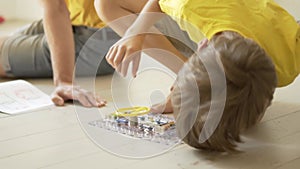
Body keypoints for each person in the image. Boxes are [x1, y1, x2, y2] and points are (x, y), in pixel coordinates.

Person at [95, 0, 300, 152]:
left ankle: (197, 89)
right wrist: (134, 33)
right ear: (202, 45)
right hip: (209, 11)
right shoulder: (190, 6)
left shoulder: (287, 64)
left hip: (253, 28)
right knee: (105, 3)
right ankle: (192, 84)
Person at [0, 0, 121, 107]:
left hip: (98, 43)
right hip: (76, 20)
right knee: (9, 40)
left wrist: (64, 81)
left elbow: (57, 7)